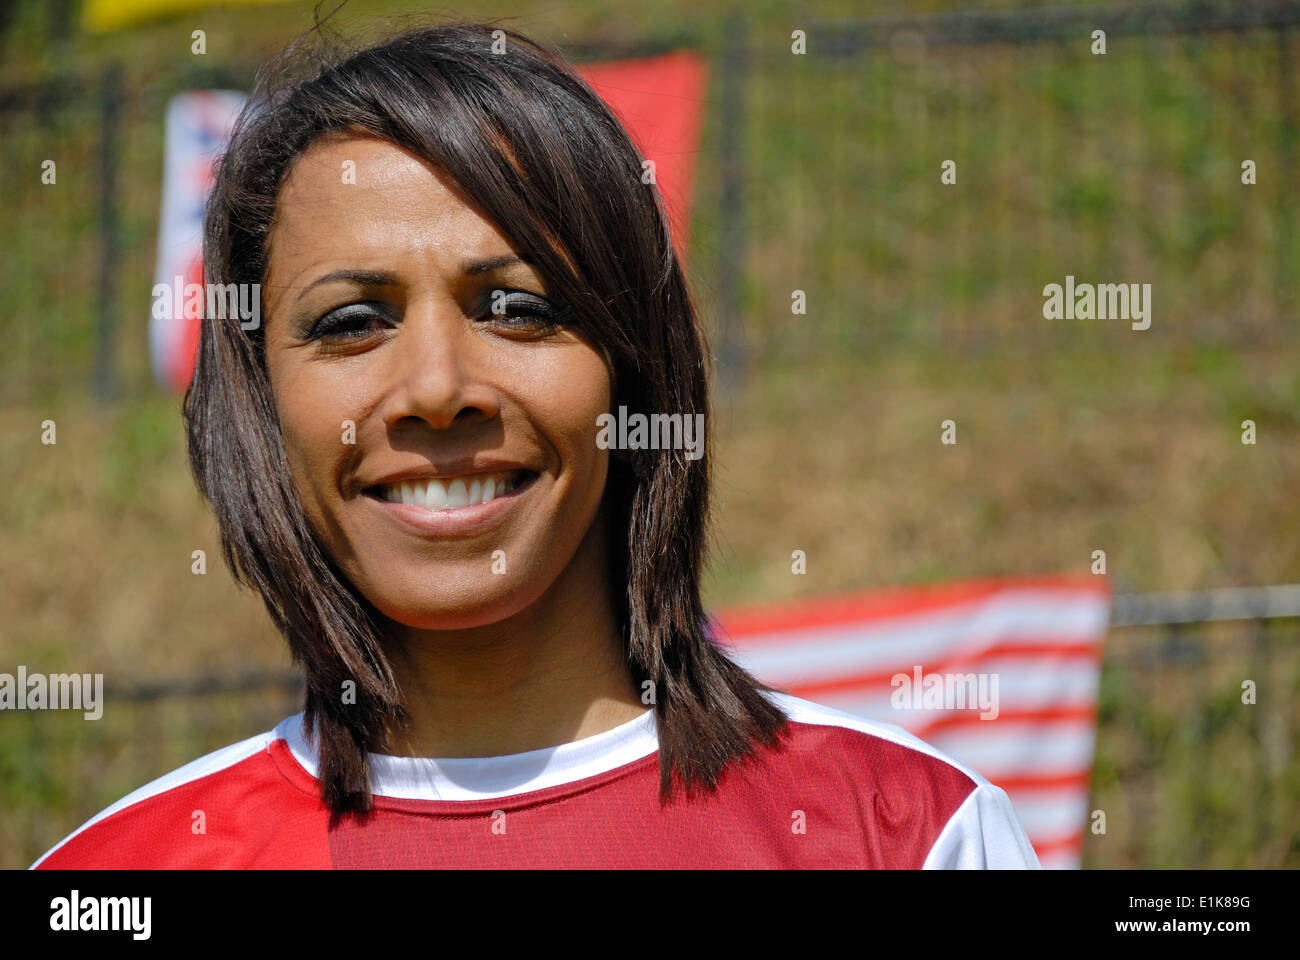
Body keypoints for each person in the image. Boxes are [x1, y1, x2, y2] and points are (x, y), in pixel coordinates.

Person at [33, 18, 1038, 869]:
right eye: (349, 323)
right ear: (257, 401)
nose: (434, 388)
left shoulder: (905, 833)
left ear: (633, 369)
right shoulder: (122, 871)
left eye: (516, 307)